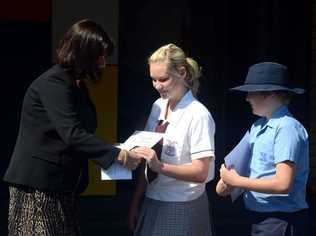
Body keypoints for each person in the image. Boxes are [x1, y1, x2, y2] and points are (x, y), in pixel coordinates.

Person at [3, 19, 142, 236]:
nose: (103, 63)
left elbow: (80, 133)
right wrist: (118, 156)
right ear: (83, 54)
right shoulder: (54, 83)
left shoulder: (76, 84)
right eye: (99, 56)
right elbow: (72, 133)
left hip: (62, 188)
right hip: (38, 189)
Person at [127, 43, 215, 236]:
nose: (157, 86)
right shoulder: (158, 106)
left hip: (181, 203)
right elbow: (149, 158)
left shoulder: (198, 114)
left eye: (163, 79)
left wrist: (159, 166)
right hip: (152, 198)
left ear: (182, 73)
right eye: (153, 79)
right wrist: (135, 203)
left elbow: (201, 172)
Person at [216, 62, 309, 236]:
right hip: (257, 218)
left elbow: (283, 184)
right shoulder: (258, 126)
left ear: (271, 94)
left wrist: (237, 181)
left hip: (280, 221)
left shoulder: (287, 128)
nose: (247, 98)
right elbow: (242, 167)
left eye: (252, 93)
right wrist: (227, 181)